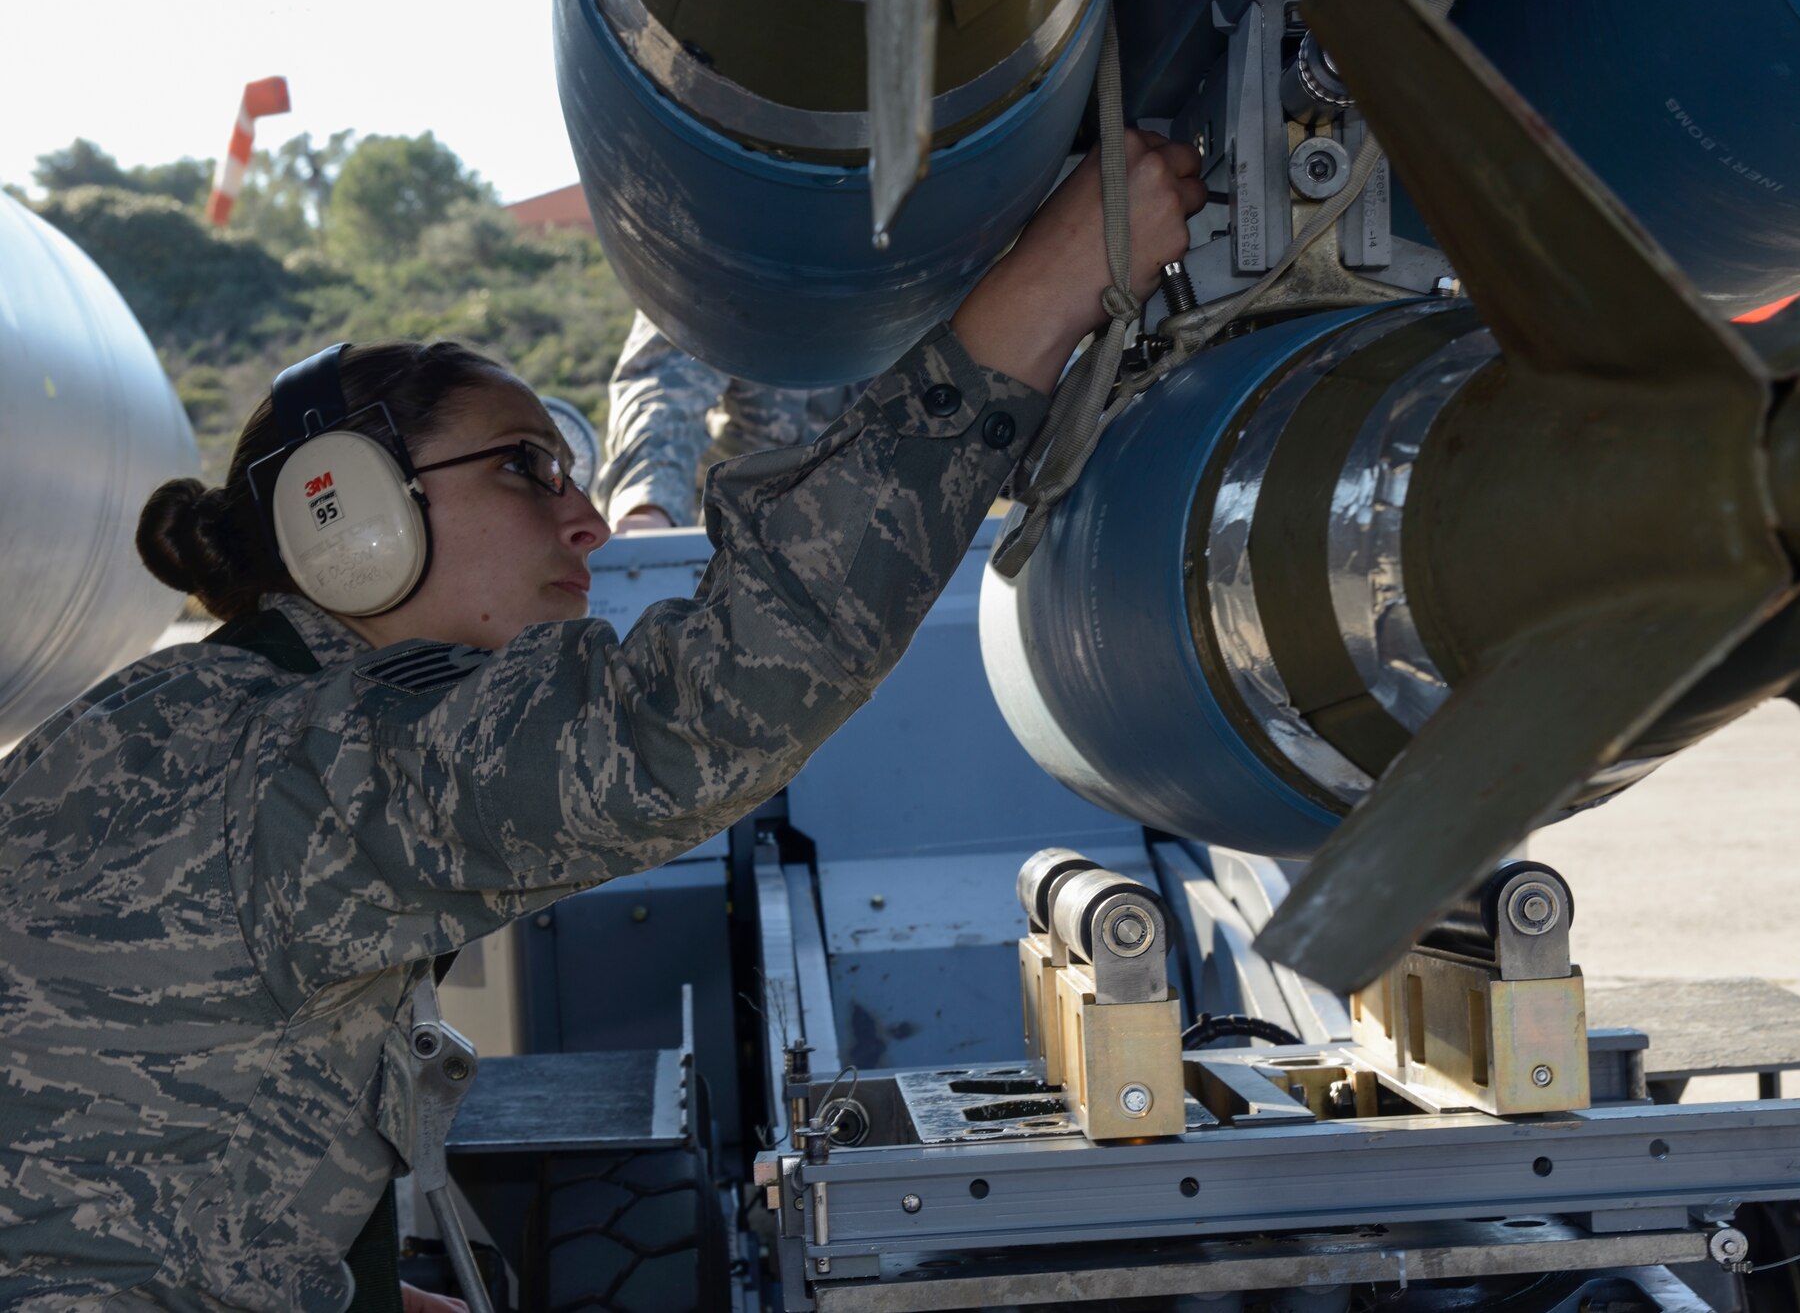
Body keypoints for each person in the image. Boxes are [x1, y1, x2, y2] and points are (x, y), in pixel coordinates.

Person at [0, 130, 1205, 1311]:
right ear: (346, 516)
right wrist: (1047, 290)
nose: (582, 521)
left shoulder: (194, 721)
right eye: (527, 469)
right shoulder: (309, 764)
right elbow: (708, 707)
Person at [595, 313, 869, 532]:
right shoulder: (725, 254)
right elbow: (666, 390)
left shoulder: (902, 261)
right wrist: (650, 507)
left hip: (872, 531)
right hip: (733, 536)